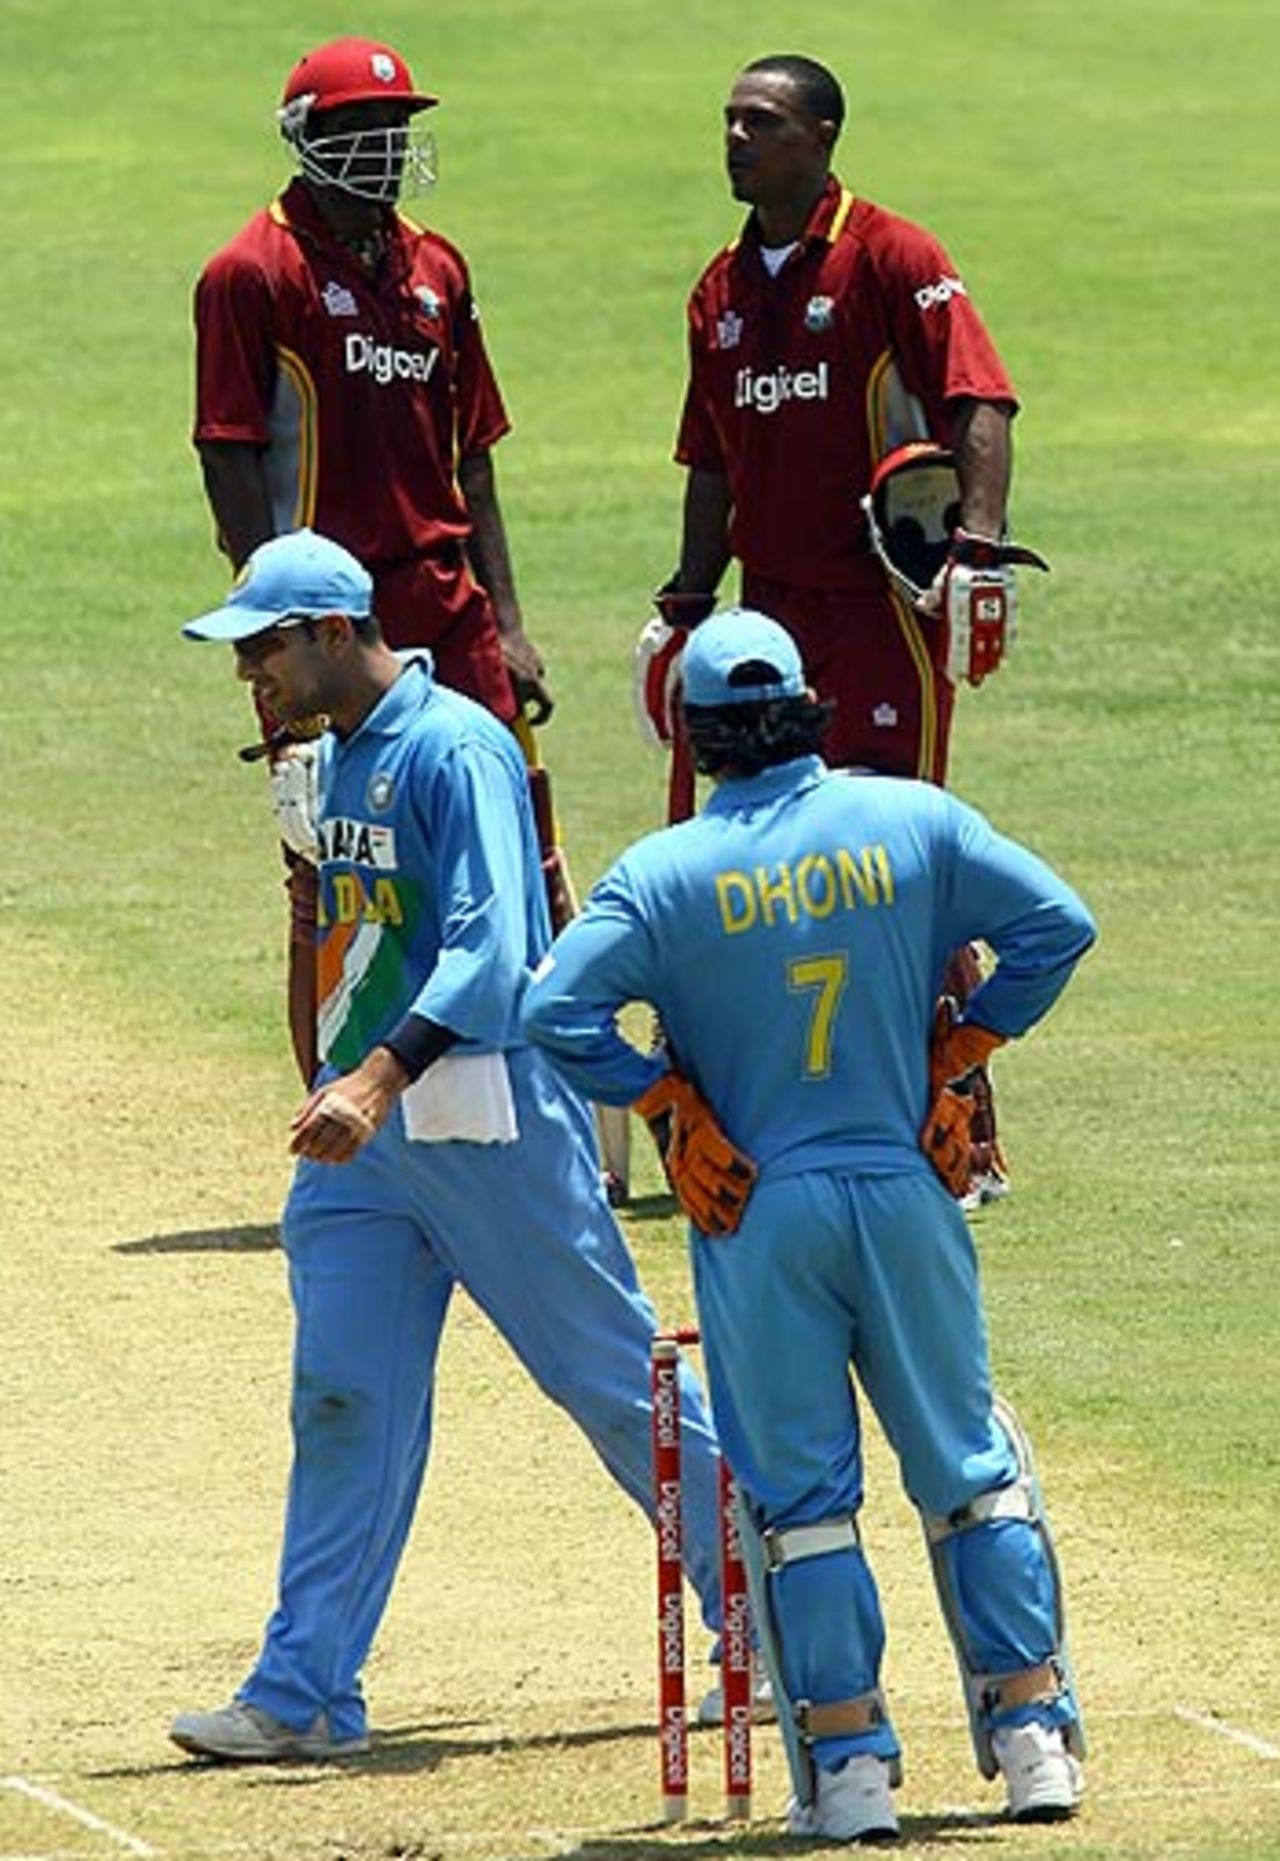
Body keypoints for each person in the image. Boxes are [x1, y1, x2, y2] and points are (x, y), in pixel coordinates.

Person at [524, 608, 1096, 1840]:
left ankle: (850, 1775)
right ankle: (1033, 1736)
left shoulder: (661, 874)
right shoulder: (909, 820)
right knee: (967, 1474)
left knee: (804, 1507)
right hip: (902, 1192)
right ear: (807, 709)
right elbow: (1059, 926)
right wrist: (959, 1052)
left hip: (758, 1216)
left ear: (694, 735)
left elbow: (553, 1013)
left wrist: (667, 1100)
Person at [169, 529, 726, 1763]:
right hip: (365, 1150)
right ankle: (303, 1689)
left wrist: (371, 1076)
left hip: (481, 1117)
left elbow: (490, 949)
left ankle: (785, 1623)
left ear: (330, 633)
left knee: (609, 1381)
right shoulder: (338, 757)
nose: (246, 673)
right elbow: (345, 954)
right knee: (342, 1400)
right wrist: (329, 1053)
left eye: (262, 647)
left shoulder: (457, 746)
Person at [641, 52, 1029, 1204]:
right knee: (765, 864)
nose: (733, 139)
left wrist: (975, 548)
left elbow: (980, 401)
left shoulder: (892, 255)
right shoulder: (715, 289)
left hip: (881, 611)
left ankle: (961, 1133)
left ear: (818, 137)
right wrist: (681, 604)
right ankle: (789, 1111)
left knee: (900, 867)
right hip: (764, 618)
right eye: (726, 121)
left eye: (759, 122)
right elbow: (708, 459)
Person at [193, 35, 551, 1084]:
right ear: (306, 139)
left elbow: (472, 458)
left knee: (520, 851)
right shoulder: (249, 273)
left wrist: (512, 623)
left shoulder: (438, 268)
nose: (382, 150)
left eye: (393, 131)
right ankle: (336, 1109)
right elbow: (229, 456)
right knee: (331, 873)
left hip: (448, 601)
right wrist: (273, 625)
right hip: (327, 627)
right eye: (355, 130)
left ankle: (556, 1109)